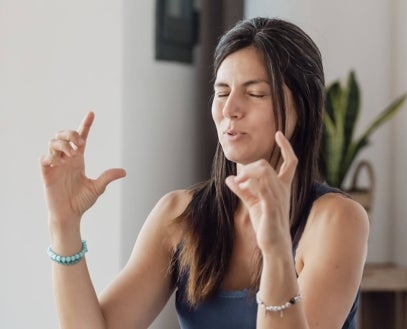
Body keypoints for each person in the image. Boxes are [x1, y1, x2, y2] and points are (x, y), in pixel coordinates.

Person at [40, 17, 369, 329]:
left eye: (254, 93)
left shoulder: (337, 220)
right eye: (222, 92)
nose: (229, 109)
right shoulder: (179, 215)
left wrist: (277, 248)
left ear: (304, 107)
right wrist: (63, 223)